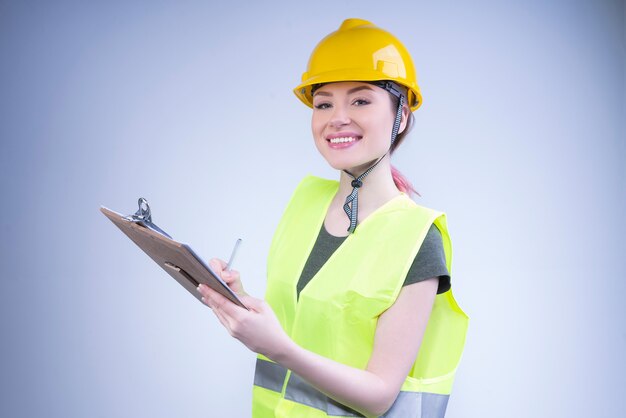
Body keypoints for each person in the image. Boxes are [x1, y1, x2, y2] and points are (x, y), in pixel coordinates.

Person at [197, 18, 468, 418]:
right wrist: (239, 301)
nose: (336, 118)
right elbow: (307, 319)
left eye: (360, 100)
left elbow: (379, 395)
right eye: (324, 103)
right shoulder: (306, 201)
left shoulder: (416, 237)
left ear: (402, 115)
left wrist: (277, 348)